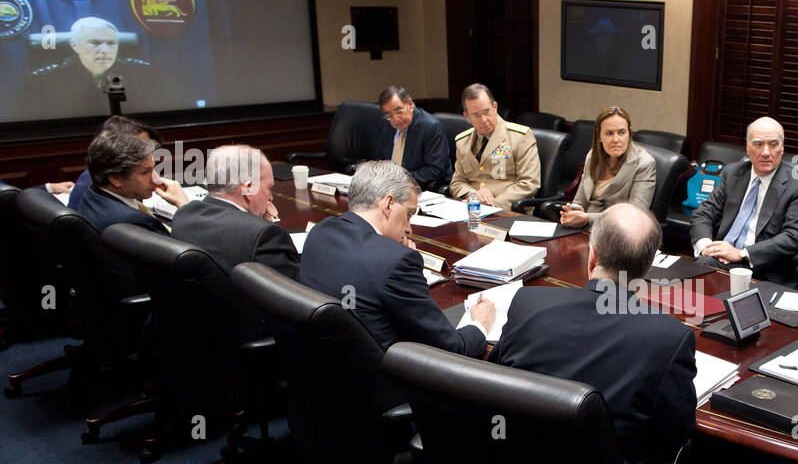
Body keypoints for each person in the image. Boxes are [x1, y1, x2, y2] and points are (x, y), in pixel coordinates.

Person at [491, 202, 696, 464]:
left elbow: (492, 387)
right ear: (648, 268)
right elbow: (676, 434)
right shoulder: (671, 337)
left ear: (593, 256)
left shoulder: (527, 302)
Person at [300, 160, 494, 355]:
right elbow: (452, 349)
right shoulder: (395, 261)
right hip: (382, 379)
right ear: (388, 204)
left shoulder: (319, 233)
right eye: (409, 215)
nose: (409, 228)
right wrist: (479, 324)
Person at [689, 116, 798, 283]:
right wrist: (706, 247)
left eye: (773, 144)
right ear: (748, 148)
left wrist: (741, 254)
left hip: (760, 268)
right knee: (695, 274)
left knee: (701, 277)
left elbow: (794, 236)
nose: (766, 152)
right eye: (758, 144)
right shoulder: (733, 173)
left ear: (782, 148)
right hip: (719, 259)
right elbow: (703, 214)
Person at [170, 144, 299, 281]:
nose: (270, 197)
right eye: (268, 188)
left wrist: (254, 221)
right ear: (249, 187)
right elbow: (296, 294)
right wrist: (258, 225)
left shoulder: (183, 215)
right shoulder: (264, 236)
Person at [30, 17, 151, 118]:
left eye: (111, 43)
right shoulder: (45, 80)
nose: (105, 51)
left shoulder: (140, 72)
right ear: (75, 45)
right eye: (95, 43)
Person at [558, 105, 656, 229]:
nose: (616, 139)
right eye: (609, 133)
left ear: (629, 134)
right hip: (585, 230)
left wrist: (587, 218)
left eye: (621, 132)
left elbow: (634, 215)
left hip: (618, 234)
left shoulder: (644, 163)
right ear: (599, 136)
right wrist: (571, 213)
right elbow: (579, 201)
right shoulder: (593, 156)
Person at [446, 83, 540, 209]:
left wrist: (493, 204)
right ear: (467, 117)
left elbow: (529, 183)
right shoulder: (463, 141)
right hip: (473, 208)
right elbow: (457, 183)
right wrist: (473, 195)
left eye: (486, 112)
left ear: (495, 107)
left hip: (508, 210)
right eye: (476, 115)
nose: (483, 120)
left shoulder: (520, 137)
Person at [79, 129, 189, 236]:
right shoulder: (134, 222)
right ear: (116, 178)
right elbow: (192, 252)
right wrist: (184, 204)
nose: (157, 179)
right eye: (146, 172)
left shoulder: (92, 193)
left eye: (153, 169)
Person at [376, 84, 452, 190]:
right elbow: (381, 159)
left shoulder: (430, 126)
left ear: (410, 104)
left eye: (399, 111)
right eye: (390, 115)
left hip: (421, 187)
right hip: (391, 187)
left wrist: (399, 181)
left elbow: (435, 169)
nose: (396, 119)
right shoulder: (386, 123)